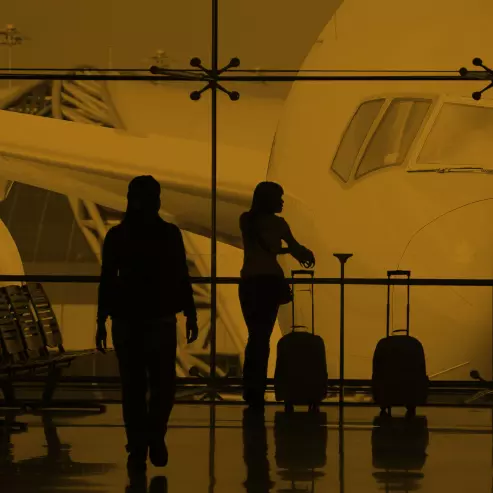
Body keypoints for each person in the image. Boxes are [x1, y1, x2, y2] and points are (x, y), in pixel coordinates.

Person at [95, 175, 199, 474]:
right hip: (160, 319)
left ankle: (137, 444)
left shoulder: (117, 236)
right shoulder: (169, 235)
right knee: (164, 385)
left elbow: (107, 280)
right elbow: (181, 274)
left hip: (126, 320)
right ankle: (155, 433)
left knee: (133, 387)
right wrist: (190, 312)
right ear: (156, 200)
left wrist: (102, 319)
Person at [239, 181, 315, 409]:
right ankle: (258, 387)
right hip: (270, 282)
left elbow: (262, 245)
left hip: (250, 282)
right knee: (264, 336)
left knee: (255, 337)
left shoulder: (247, 220)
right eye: (279, 197)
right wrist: (298, 252)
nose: (282, 201)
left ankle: (251, 388)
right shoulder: (280, 225)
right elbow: (294, 247)